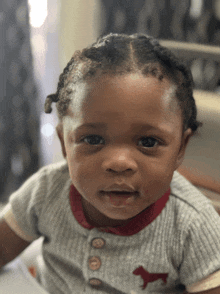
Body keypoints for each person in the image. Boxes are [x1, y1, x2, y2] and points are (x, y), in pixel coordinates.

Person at [0, 33, 220, 294]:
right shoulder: (45, 191)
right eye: (92, 138)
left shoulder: (194, 226)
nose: (119, 163)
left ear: (181, 148)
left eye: (148, 142)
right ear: (64, 143)